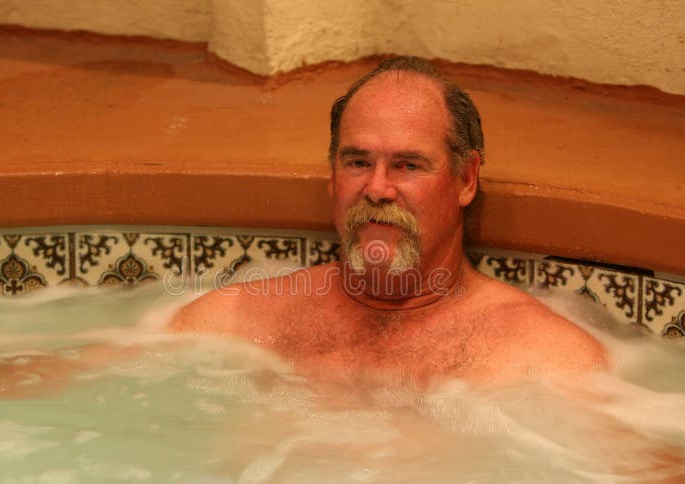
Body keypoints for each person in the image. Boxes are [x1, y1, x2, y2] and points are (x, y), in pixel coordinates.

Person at [171, 56, 607, 387]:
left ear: (465, 179)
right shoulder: (233, 322)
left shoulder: (546, 359)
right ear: (332, 177)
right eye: (358, 161)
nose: (377, 189)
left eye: (408, 166)